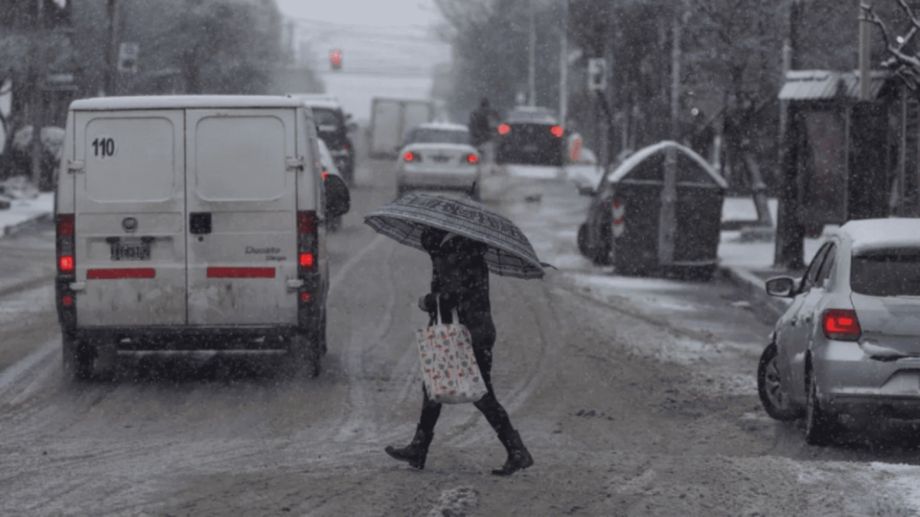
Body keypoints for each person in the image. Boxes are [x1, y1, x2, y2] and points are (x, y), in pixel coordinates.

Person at [385, 227, 534, 476]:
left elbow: (455, 296)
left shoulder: (459, 252)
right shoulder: (464, 249)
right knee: (433, 386)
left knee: (481, 394)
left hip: (468, 333)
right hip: (472, 329)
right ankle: (419, 448)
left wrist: (428, 301)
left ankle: (516, 450)